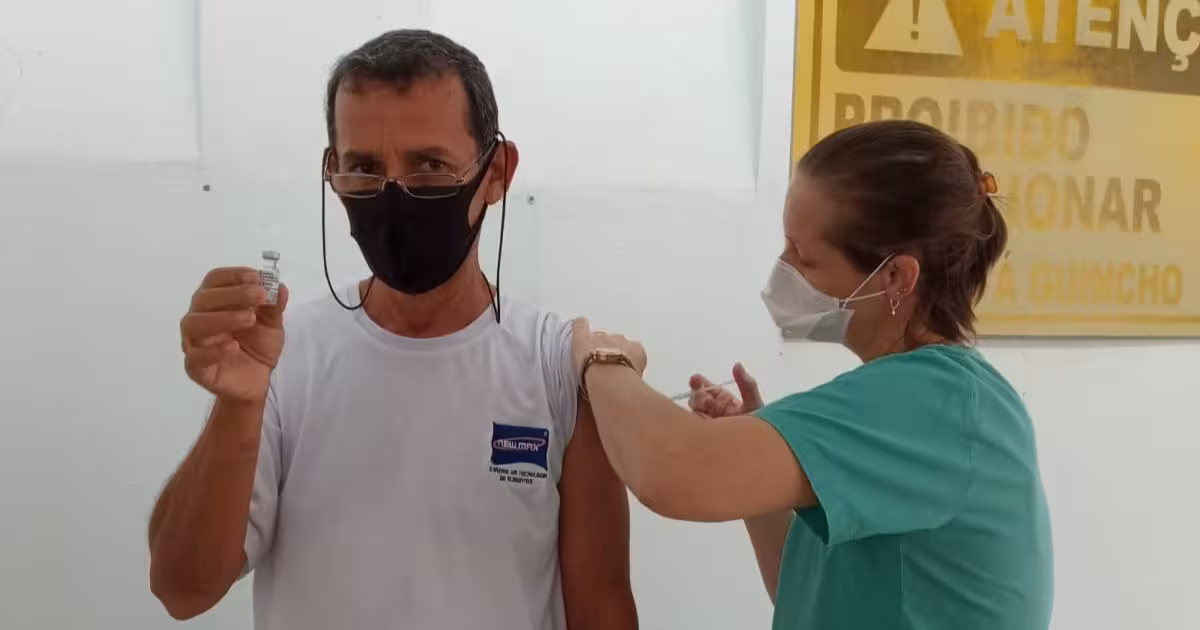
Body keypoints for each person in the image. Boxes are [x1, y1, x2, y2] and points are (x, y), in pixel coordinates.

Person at [148, 30, 637, 630]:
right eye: (364, 169)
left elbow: (601, 609)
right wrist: (236, 405)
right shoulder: (283, 358)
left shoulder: (559, 369)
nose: (394, 197)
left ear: (496, 173)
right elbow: (182, 589)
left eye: (430, 167)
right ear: (332, 173)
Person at [571, 120, 1054, 629]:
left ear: (896, 276)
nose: (784, 269)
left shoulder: (938, 401)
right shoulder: (930, 399)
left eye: (804, 257)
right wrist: (751, 459)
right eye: (786, 245)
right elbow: (806, 594)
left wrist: (604, 363)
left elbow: (670, 472)